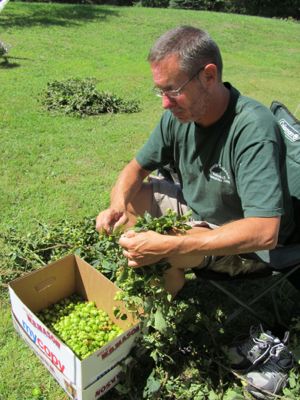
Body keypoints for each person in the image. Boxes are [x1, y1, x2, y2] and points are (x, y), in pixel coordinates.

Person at [96, 25, 296, 296]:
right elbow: (135, 169)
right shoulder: (178, 116)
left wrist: (169, 244)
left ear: (209, 76)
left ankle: (156, 308)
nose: (165, 104)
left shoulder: (252, 129)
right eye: (160, 91)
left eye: (172, 90)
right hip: (196, 212)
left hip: (246, 245)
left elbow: (264, 231)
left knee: (166, 249)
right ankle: (162, 287)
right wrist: (117, 206)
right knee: (133, 199)